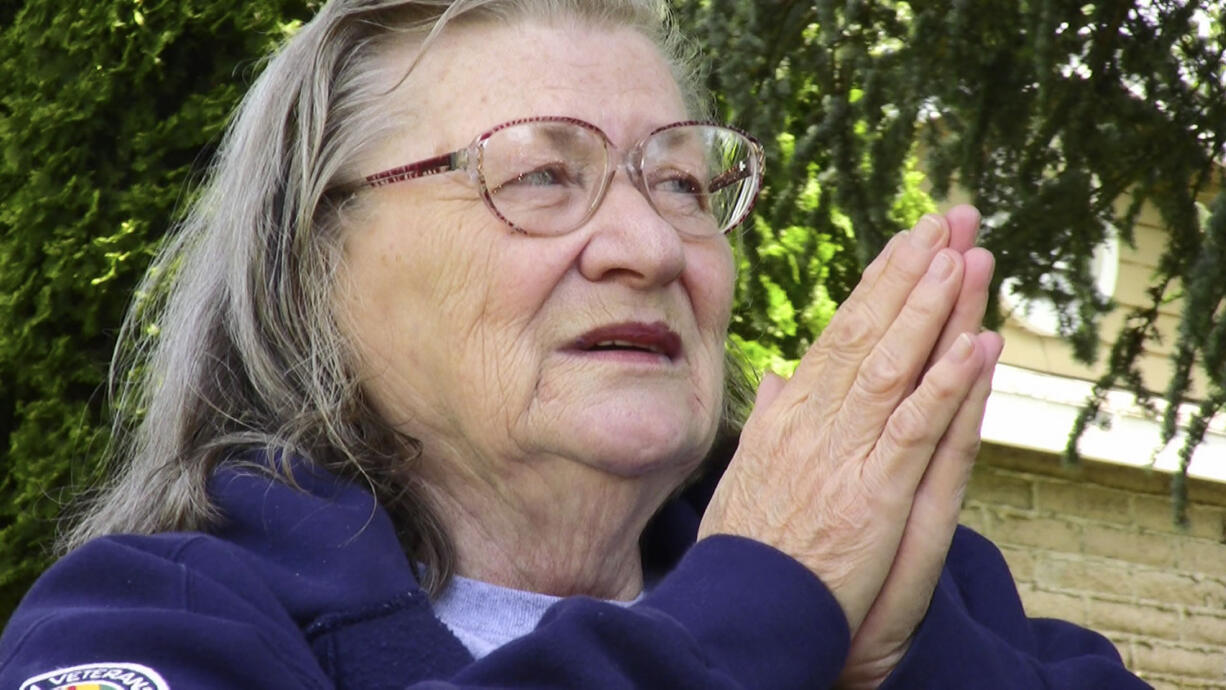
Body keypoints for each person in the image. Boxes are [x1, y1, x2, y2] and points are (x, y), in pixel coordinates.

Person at [0, 1, 1150, 689]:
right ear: (313, 260)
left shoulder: (926, 594)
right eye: (542, 173)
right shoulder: (155, 620)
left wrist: (895, 670)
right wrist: (760, 613)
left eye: (681, 181)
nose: (649, 243)